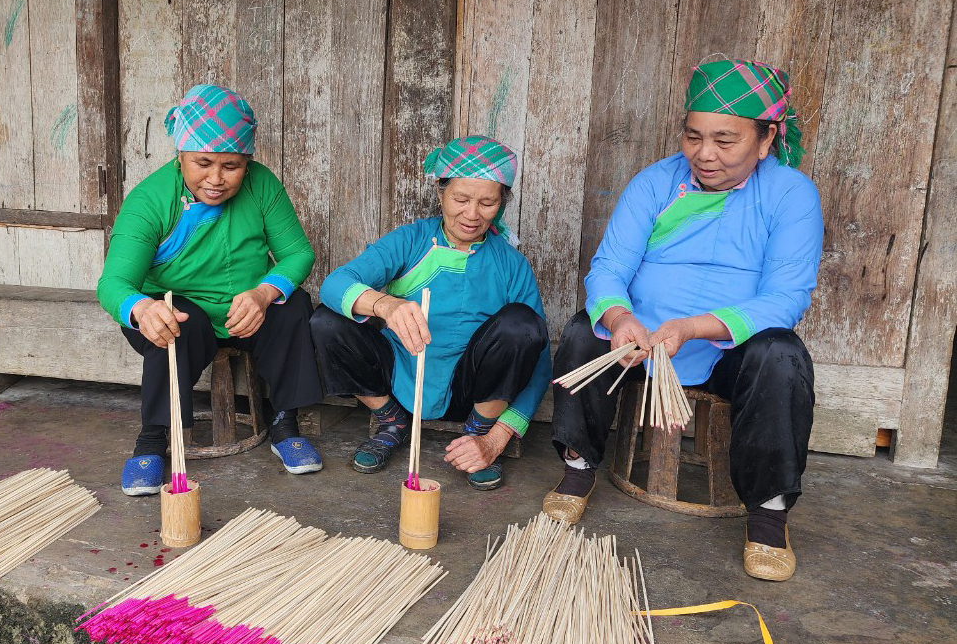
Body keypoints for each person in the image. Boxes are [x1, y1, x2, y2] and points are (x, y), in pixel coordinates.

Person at [544, 59, 823, 581]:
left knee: (782, 354)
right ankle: (578, 469)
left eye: (725, 140)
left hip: (724, 347)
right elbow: (609, 267)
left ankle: (768, 515)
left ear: (766, 141)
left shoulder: (791, 195)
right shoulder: (655, 183)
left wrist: (693, 327)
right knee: (586, 328)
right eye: (694, 137)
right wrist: (621, 316)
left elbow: (784, 298)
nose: (705, 153)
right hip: (643, 341)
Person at [97, 84, 325, 495]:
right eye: (202, 163)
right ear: (180, 156)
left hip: (245, 306)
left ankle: (284, 421)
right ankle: (152, 438)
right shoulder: (150, 200)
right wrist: (142, 309)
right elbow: (113, 284)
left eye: (232, 166)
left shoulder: (263, 186)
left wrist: (264, 292)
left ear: (248, 162)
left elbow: (298, 255)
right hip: (178, 308)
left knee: (295, 306)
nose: (216, 179)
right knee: (179, 322)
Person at [310, 136, 552, 491]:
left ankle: (476, 433)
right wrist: (385, 305)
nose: (472, 214)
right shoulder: (411, 240)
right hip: (401, 376)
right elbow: (335, 283)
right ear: (440, 195)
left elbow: (540, 357)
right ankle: (390, 420)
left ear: (501, 205)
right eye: (460, 199)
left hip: (472, 392)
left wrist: (495, 439)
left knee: (522, 325)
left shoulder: (511, 264)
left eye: (487, 202)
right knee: (327, 321)